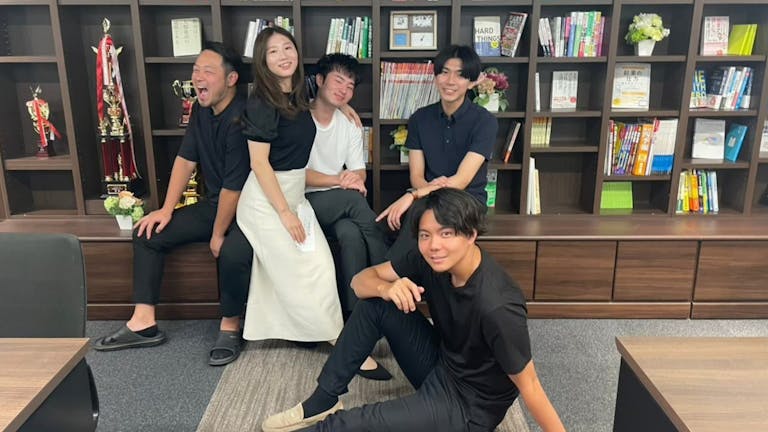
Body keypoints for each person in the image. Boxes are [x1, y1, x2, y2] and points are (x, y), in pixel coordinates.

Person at [262, 188, 565, 432]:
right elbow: (359, 282)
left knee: (357, 423)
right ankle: (323, 400)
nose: (434, 245)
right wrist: (386, 289)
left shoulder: (498, 305)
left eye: (447, 233)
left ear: (471, 234)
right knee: (376, 302)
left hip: (468, 407)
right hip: (443, 365)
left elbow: (531, 386)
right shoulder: (429, 258)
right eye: (425, 235)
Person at [92, 42, 253, 367]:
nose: (198, 77)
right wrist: (166, 209)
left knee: (232, 251)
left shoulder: (242, 118)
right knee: (147, 233)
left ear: (231, 79)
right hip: (215, 204)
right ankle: (143, 322)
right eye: (196, 70)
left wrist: (217, 234)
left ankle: (230, 325)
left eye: (208, 71)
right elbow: (185, 159)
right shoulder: (201, 110)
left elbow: (234, 188)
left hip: (248, 209)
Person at [236, 27, 343, 343]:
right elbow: (259, 163)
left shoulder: (297, 93)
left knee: (321, 265)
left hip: (296, 196)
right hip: (267, 202)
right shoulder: (262, 103)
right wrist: (284, 213)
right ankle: (340, 342)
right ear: (262, 60)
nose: (283, 56)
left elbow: (327, 96)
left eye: (287, 47)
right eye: (273, 51)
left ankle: (311, 332)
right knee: (302, 273)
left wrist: (345, 107)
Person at [305, 53, 392, 380]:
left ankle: (357, 320)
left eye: (350, 85)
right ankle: (390, 280)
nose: (344, 89)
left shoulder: (350, 124)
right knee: (355, 205)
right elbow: (295, 175)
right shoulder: (299, 120)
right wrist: (340, 180)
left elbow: (358, 171)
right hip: (303, 201)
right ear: (320, 80)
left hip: (339, 202)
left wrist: (350, 180)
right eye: (338, 80)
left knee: (351, 234)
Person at [377, 45, 498, 260]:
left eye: (460, 75)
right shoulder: (419, 119)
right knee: (387, 225)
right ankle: (396, 274)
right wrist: (423, 192)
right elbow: (416, 176)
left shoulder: (484, 122)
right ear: (435, 76)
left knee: (421, 217)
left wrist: (413, 195)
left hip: (467, 200)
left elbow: (461, 180)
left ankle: (392, 273)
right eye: (444, 72)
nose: (450, 81)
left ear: (471, 82)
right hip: (429, 196)